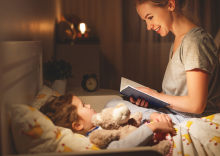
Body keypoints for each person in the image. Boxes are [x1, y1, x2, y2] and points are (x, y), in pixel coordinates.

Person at [128, 0, 220, 121]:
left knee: (120, 110)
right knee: (114, 103)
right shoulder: (178, 40)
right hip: (173, 111)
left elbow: (196, 105)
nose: (149, 26)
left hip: (189, 118)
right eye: (145, 20)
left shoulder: (195, 41)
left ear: (171, 5)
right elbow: (175, 94)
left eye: (150, 17)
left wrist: (154, 95)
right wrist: (149, 99)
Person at [39, 93, 176, 149]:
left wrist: (147, 117)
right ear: (78, 125)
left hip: (159, 130)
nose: (89, 105)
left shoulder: (100, 125)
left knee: (111, 103)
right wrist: (152, 128)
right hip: (163, 141)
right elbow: (120, 147)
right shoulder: (96, 138)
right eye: (84, 105)